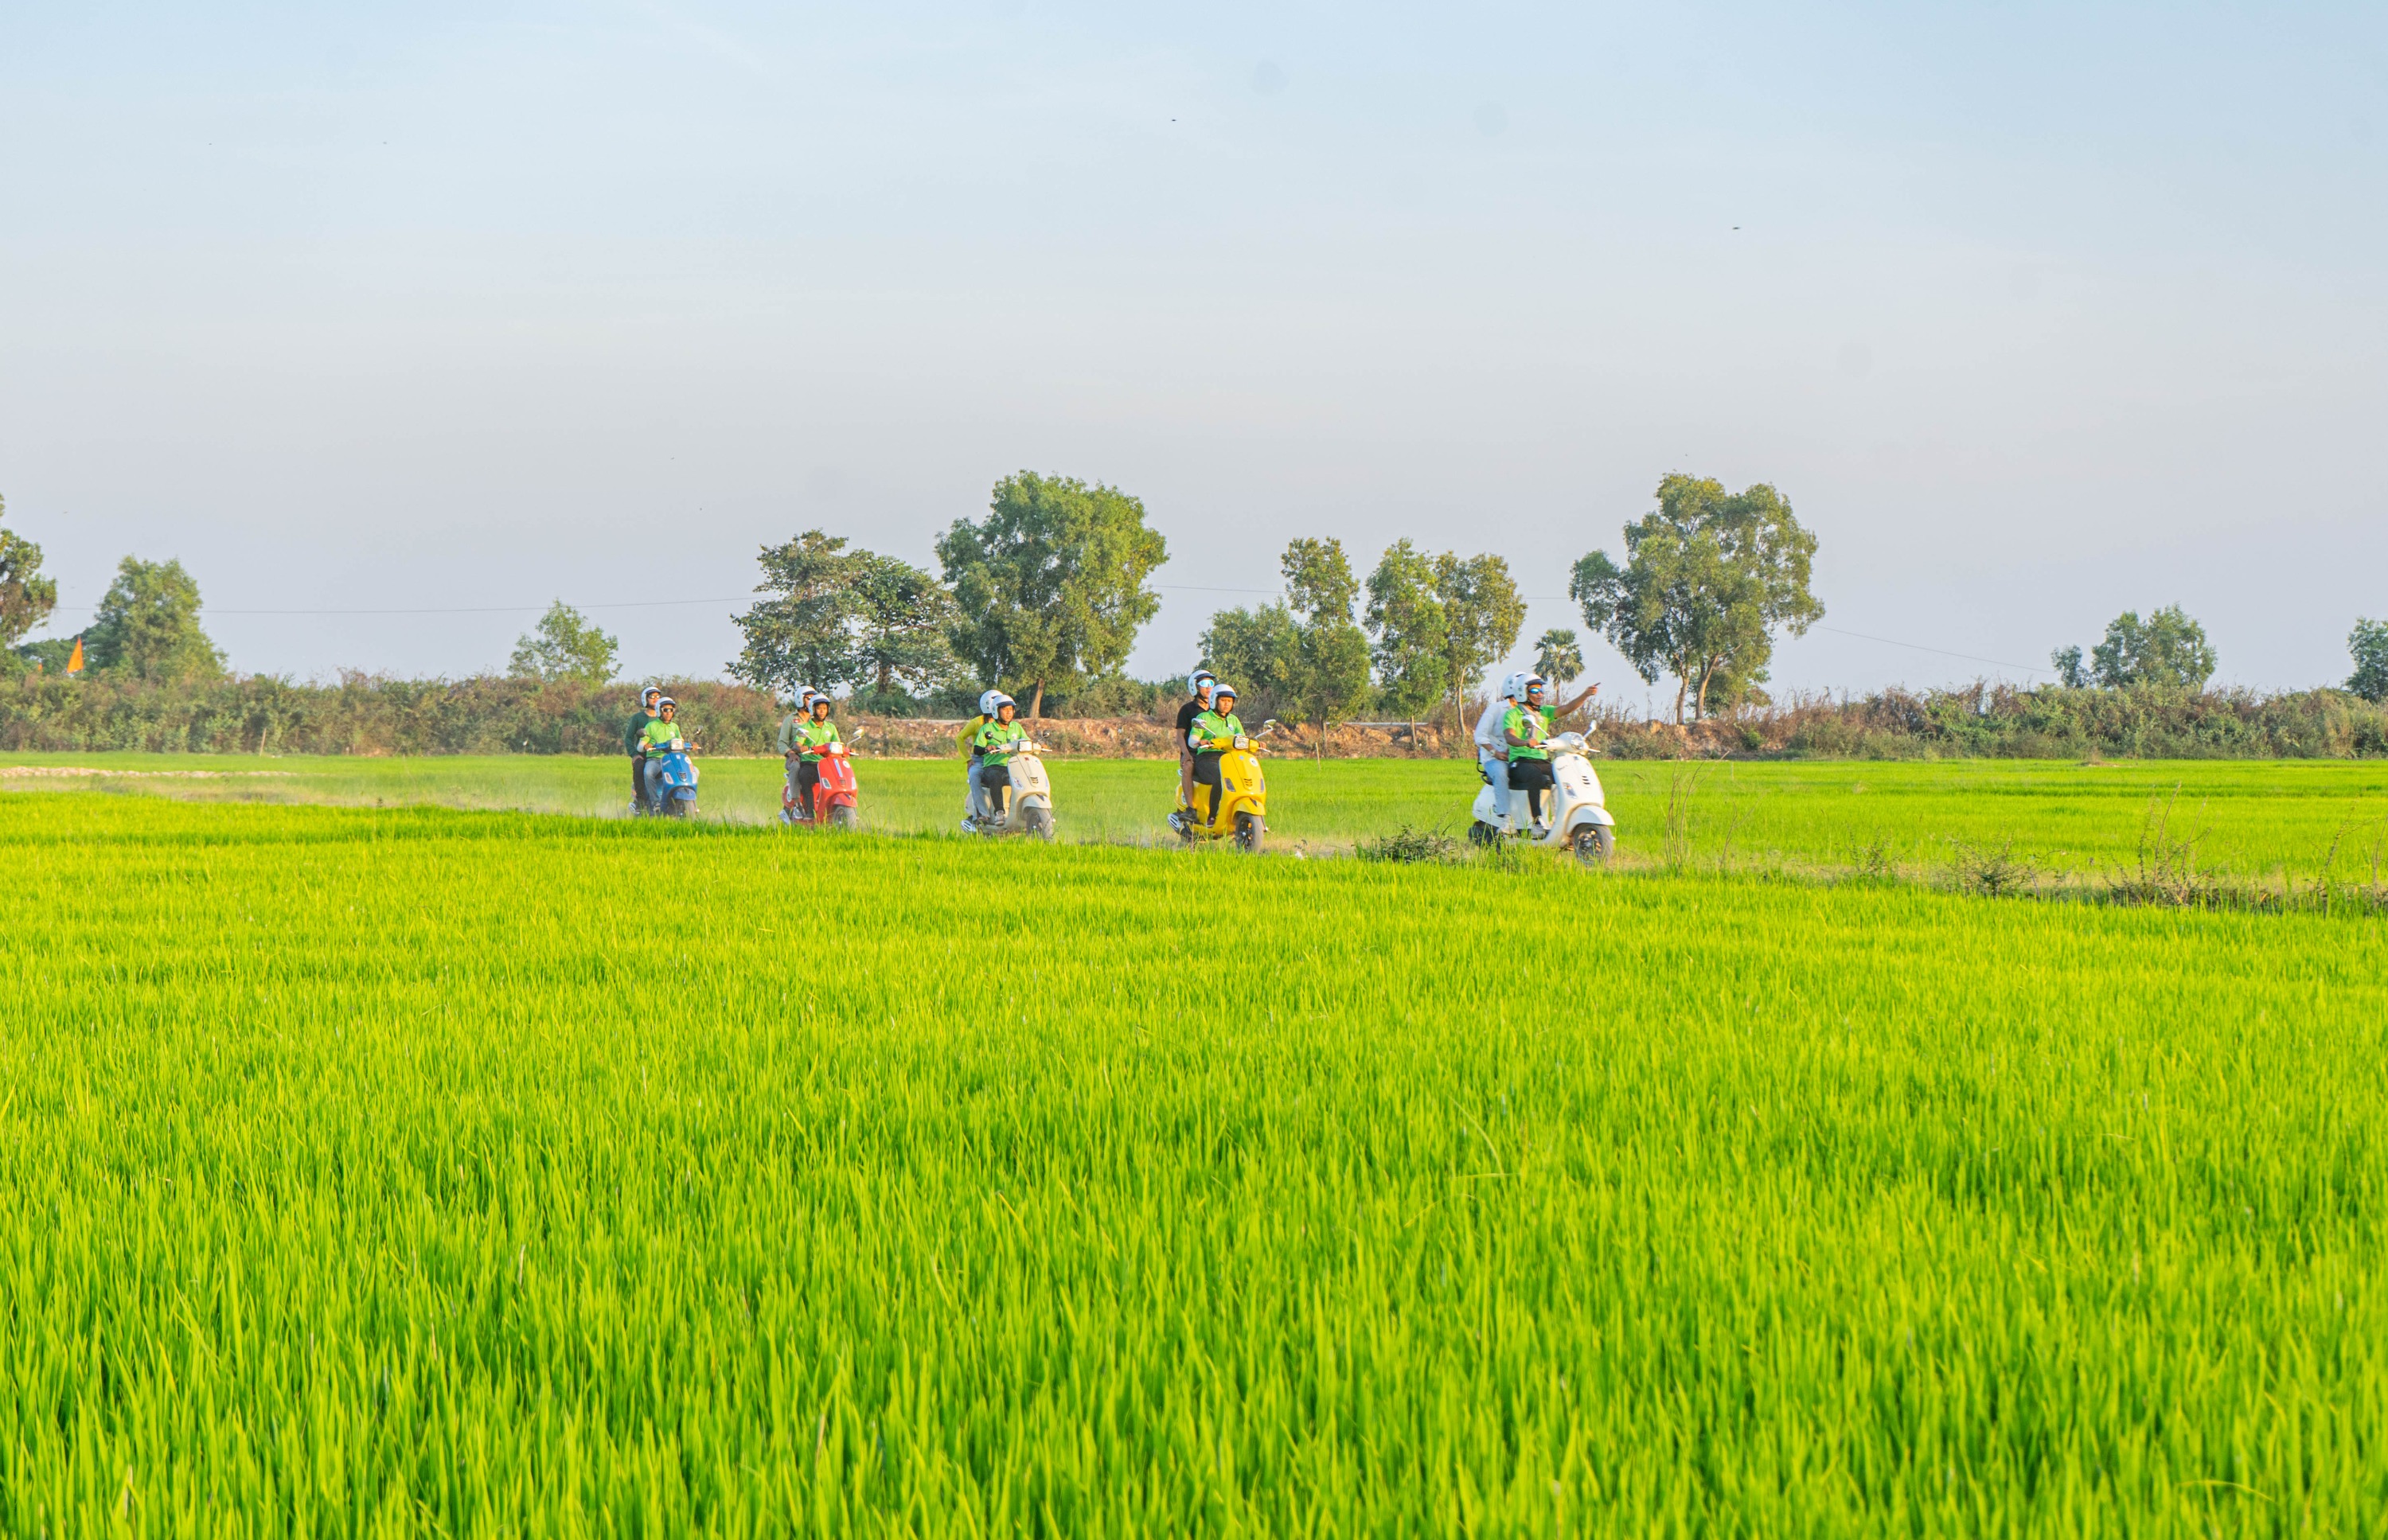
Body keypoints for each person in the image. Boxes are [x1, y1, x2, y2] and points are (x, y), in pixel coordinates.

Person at [1185, 681, 1247, 829]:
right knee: (1221, 778)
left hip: (1230, 758)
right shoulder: (1204, 718)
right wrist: (1200, 742)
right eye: (1223, 700)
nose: (1227, 704)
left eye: (1230, 701)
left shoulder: (1234, 720)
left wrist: (1256, 743)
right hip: (1208, 757)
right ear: (1214, 700)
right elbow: (1192, 739)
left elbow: (1241, 738)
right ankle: (1213, 816)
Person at [1503, 676, 1556, 831]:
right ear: (1522, 693)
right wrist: (1525, 742)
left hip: (1542, 761)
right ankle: (1537, 821)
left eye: (1541, 690)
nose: (1540, 694)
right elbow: (1509, 736)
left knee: (1562, 773)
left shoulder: (1544, 712)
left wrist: (1585, 695)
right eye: (1535, 690)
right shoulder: (1512, 715)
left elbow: (1566, 709)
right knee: (1535, 776)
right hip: (1520, 762)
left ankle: (1560, 818)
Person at [1474, 673, 1527, 823]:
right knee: (1501, 772)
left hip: (1518, 756)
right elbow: (1480, 736)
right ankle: (1505, 816)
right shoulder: (1496, 709)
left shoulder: (1526, 711)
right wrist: (1495, 752)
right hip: (1494, 758)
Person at [971, 693, 1029, 820]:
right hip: (993, 767)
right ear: (996, 712)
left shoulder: (1017, 727)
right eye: (1005, 710)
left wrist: (1039, 744)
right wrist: (987, 748)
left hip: (1014, 765)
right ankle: (999, 812)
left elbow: (1026, 741)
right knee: (996, 778)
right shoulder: (987, 728)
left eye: (1011, 710)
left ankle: (1022, 812)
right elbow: (977, 749)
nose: (1009, 713)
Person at [786, 691, 842, 821]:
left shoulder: (831, 728)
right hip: (810, 763)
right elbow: (796, 744)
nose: (822, 711)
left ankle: (832, 809)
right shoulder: (805, 728)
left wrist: (846, 749)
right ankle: (809, 811)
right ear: (812, 709)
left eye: (824, 708)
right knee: (804, 776)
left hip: (827, 764)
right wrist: (801, 748)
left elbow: (837, 743)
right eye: (819, 708)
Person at [1174, 669, 1216, 816]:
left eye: (1211, 683)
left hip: (1211, 751)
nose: (1209, 687)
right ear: (1195, 687)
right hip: (1192, 752)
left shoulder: (1216, 709)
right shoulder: (1187, 709)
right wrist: (1185, 754)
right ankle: (1191, 809)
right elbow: (1180, 735)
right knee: (1188, 766)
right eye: (1204, 683)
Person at [958, 688, 1001, 823]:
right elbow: (960, 738)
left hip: (999, 758)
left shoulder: (1004, 723)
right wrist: (967, 759)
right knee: (974, 777)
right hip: (980, 760)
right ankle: (982, 815)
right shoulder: (977, 723)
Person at [777, 688, 818, 819]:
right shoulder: (791, 720)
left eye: (814, 698)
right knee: (796, 766)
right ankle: (797, 803)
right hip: (797, 758)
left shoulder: (816, 720)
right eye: (809, 698)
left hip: (814, 758)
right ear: (801, 700)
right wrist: (791, 753)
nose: (812, 701)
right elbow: (781, 743)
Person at [624, 685, 664, 811]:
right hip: (644, 755)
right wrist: (634, 754)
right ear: (645, 699)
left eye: (658, 697)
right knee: (640, 766)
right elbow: (629, 738)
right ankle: (641, 802)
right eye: (652, 697)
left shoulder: (664, 717)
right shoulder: (638, 718)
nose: (655, 699)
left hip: (661, 754)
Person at [638, 698, 685, 804]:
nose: (669, 713)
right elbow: (640, 746)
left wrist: (691, 745)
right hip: (656, 760)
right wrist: (645, 745)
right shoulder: (651, 726)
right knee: (648, 773)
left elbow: (680, 741)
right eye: (665, 710)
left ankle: (682, 798)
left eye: (671, 710)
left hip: (673, 759)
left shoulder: (675, 727)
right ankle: (655, 801)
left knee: (694, 771)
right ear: (659, 711)